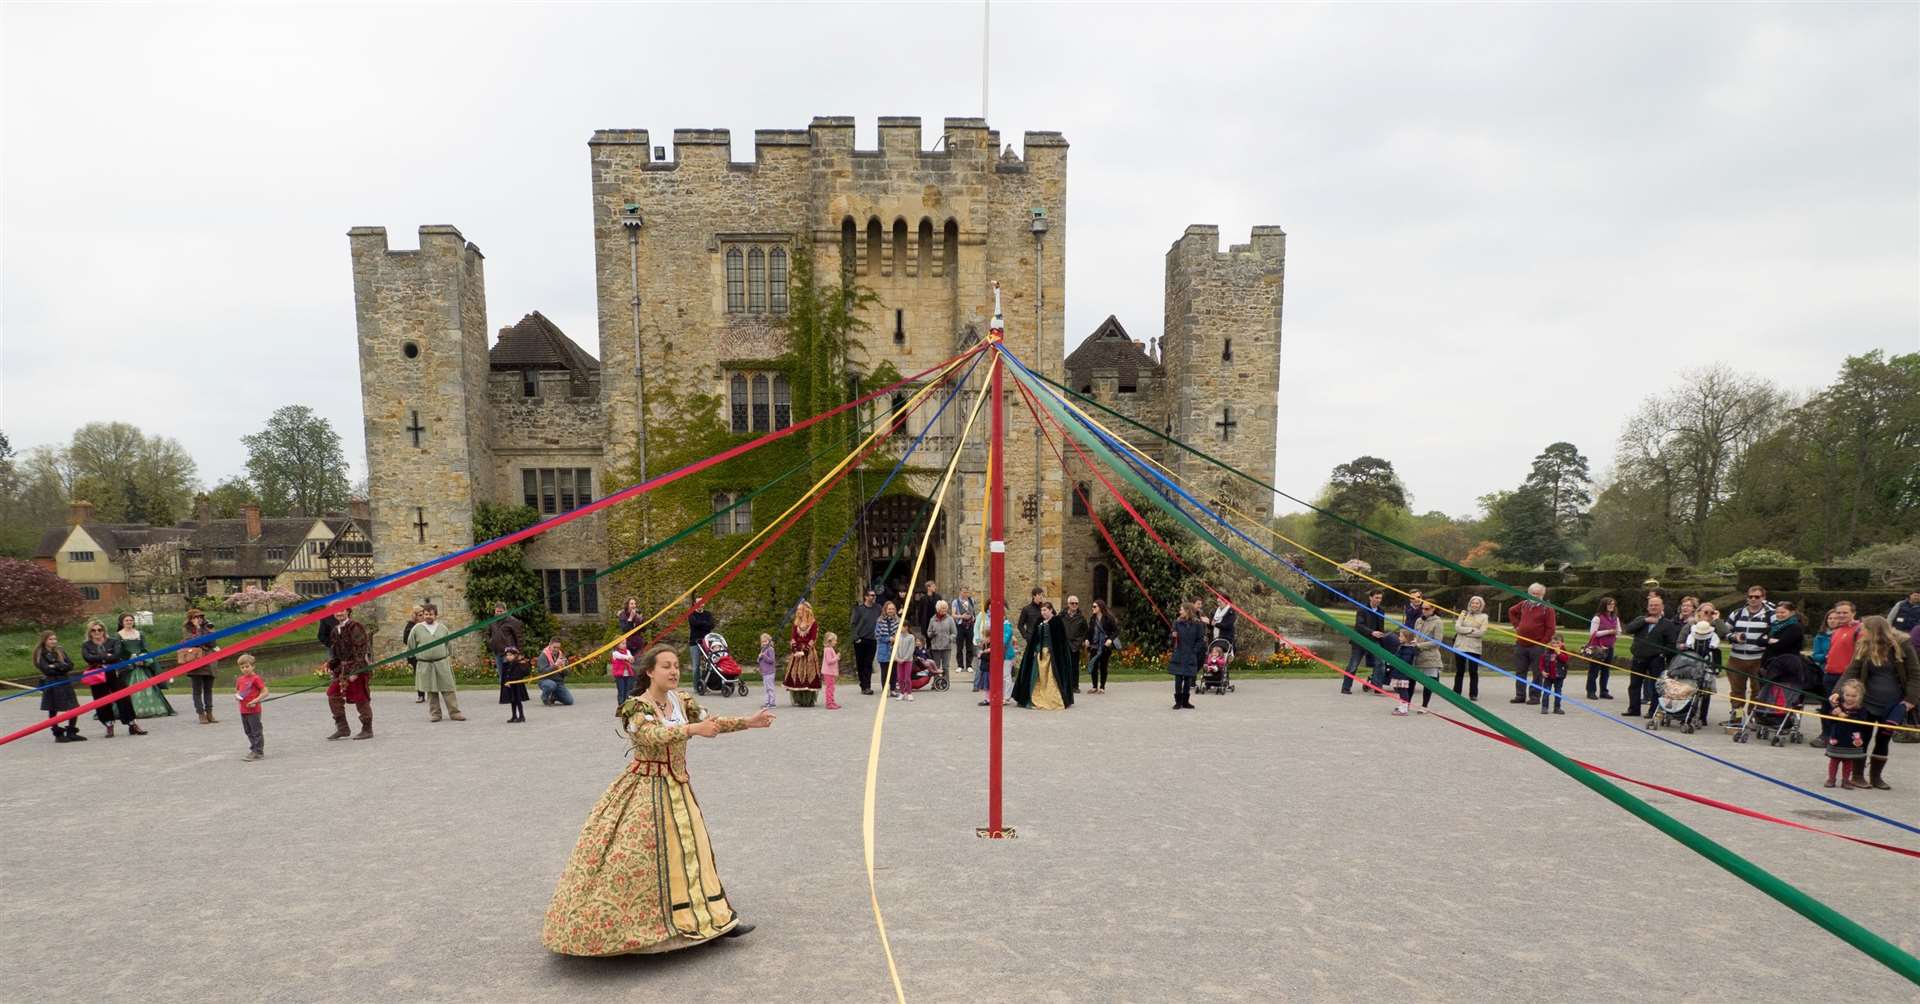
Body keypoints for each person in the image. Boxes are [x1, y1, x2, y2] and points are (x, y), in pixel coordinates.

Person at [541, 644, 773, 956]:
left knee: (693, 854)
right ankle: (648, 928)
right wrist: (693, 729)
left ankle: (715, 921)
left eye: (676, 665)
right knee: (639, 860)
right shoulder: (637, 707)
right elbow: (650, 736)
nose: (674, 671)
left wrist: (749, 721)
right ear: (650, 671)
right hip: (644, 790)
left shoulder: (682, 700)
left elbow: (711, 723)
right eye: (666, 666)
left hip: (678, 788)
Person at [1831, 615, 1919, 792]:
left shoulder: (1902, 645)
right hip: (1867, 702)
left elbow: (1915, 674)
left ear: (1875, 631)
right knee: (1860, 738)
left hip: (1894, 703)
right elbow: (1851, 670)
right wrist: (1836, 691)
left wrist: (1910, 700)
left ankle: (1876, 776)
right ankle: (1857, 776)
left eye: (1864, 629)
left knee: (1883, 739)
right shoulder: (1864, 645)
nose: (1861, 632)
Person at [1723, 585, 1774, 727]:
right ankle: (1737, 718)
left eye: (1757, 597)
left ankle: (1753, 718)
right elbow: (1724, 632)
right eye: (1751, 596)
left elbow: (1775, 633)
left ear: (1763, 598)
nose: (1753, 599)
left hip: (1758, 659)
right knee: (1737, 692)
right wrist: (1734, 637)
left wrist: (1765, 640)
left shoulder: (1771, 615)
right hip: (1737, 658)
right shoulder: (1737, 613)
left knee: (1757, 691)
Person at [81, 620, 141, 737]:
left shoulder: (113, 641)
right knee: (101, 700)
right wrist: (106, 656)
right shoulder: (86, 645)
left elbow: (117, 655)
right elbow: (88, 658)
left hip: (115, 673)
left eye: (99, 630)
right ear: (90, 632)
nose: (97, 632)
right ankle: (109, 725)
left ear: (104, 631)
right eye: (93, 630)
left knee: (123, 698)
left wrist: (99, 658)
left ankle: (132, 724)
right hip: (98, 675)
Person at [1623, 595, 1680, 719]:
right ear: (1647, 607)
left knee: (1656, 686)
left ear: (1662, 607)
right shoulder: (1641, 620)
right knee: (1634, 684)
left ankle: (1652, 711)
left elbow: (1671, 644)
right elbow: (1628, 629)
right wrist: (1645, 621)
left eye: (1656, 605)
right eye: (1651, 605)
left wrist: (1662, 654)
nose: (1653, 607)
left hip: (1656, 659)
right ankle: (1633, 709)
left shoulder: (1667, 624)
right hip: (1639, 657)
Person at [1013, 601, 1075, 711]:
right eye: (1042, 610)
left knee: (1050, 676)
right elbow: (1035, 638)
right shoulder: (1040, 621)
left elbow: (1060, 641)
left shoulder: (1057, 621)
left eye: (1045, 610)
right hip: (1039, 653)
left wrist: (1053, 652)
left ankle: (1052, 698)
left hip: (1053, 655)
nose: (1043, 612)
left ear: (1051, 610)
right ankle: (1033, 697)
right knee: (1037, 675)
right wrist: (1034, 649)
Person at [324, 608, 373, 740]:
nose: (339, 613)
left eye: (342, 610)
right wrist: (331, 664)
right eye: (336, 611)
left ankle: (367, 728)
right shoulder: (335, 630)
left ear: (348, 611)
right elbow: (336, 652)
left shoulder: (355, 626)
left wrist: (356, 671)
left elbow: (361, 650)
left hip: (356, 667)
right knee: (333, 694)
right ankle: (342, 728)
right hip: (342, 669)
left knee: (360, 697)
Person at [116, 613, 175, 719]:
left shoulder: (139, 633)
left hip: (142, 664)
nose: (129, 622)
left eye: (131, 620)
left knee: (148, 685)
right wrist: (131, 658)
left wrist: (142, 657)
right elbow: (119, 651)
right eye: (127, 620)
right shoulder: (118, 635)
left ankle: (152, 709)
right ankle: (129, 711)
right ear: (122, 622)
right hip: (128, 665)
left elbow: (144, 648)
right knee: (126, 688)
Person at [411, 604, 463, 722]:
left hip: (441, 662)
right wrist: (417, 656)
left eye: (431, 614)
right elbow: (411, 645)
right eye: (426, 614)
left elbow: (448, 644)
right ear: (423, 615)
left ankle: (455, 713)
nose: (428, 616)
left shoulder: (442, 628)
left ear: (436, 615)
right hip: (426, 664)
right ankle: (435, 714)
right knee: (431, 690)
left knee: (448, 688)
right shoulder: (417, 629)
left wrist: (449, 655)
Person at [1507, 583, 1556, 706]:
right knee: (1520, 670)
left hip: (1537, 646)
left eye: (1538, 594)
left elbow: (1551, 629)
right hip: (1521, 644)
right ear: (1529, 593)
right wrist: (1516, 626)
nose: (1535, 596)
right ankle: (1520, 695)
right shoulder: (1524, 604)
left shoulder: (1547, 608)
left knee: (1537, 672)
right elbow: (1511, 611)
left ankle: (1534, 696)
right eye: (1533, 593)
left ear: (1542, 595)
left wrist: (1542, 642)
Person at [34, 631, 84, 743]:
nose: (53, 641)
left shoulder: (60, 650)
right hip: (52, 682)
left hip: (65, 681)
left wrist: (55, 665)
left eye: (54, 639)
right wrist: (61, 666)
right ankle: (57, 733)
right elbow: (46, 669)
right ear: (44, 640)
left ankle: (71, 731)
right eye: (50, 639)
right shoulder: (40, 653)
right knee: (53, 708)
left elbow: (70, 665)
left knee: (74, 706)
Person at [1824, 679, 1871, 789]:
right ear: (1843, 694)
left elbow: (1861, 724)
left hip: (1851, 739)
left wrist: (1846, 716)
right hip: (1837, 737)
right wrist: (1833, 714)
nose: (1850, 698)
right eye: (1847, 695)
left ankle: (1846, 780)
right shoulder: (1838, 706)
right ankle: (1831, 779)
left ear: (1860, 696)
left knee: (1848, 761)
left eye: (1854, 696)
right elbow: (1829, 722)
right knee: (1834, 760)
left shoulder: (1861, 709)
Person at [182, 607, 221, 725]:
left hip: (209, 662)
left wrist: (210, 631)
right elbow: (193, 642)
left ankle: (209, 712)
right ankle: (201, 713)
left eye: (200, 617)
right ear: (190, 619)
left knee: (208, 689)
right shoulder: (187, 630)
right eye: (195, 617)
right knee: (197, 690)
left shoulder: (207, 628)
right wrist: (198, 629)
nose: (198, 619)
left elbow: (212, 643)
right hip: (196, 662)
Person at [1166, 599, 1206, 711]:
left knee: (1188, 679)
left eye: (1181, 610)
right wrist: (1173, 636)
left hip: (1190, 654)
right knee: (1178, 678)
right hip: (1179, 653)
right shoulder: (1177, 623)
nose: (1180, 611)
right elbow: (1171, 640)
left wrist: (1194, 651)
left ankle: (1186, 701)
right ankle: (1178, 702)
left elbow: (1200, 640)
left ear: (1188, 611)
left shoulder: (1198, 624)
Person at [1345, 590, 1387, 694]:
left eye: (1380, 598)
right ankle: (1346, 687)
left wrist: (1381, 635)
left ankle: (1377, 686)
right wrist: (1372, 632)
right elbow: (1359, 625)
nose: (1378, 600)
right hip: (1360, 640)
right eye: (1376, 598)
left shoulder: (1381, 611)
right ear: (1370, 597)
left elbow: (1380, 627)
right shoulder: (1362, 609)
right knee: (1353, 664)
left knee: (1380, 662)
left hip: (1374, 640)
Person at [1449, 595, 1489, 701]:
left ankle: (1473, 694)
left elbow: (1481, 632)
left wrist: (1465, 631)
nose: (1474, 605)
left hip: (1474, 648)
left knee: (1473, 671)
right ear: (1470, 604)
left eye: (1477, 603)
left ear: (1481, 605)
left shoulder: (1484, 617)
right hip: (1460, 646)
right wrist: (1471, 630)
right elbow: (1457, 627)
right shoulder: (1463, 613)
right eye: (1473, 602)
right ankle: (1456, 692)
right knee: (1459, 671)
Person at [784, 600, 822, 704]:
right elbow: (793, 638)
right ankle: (798, 699)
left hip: (808, 652)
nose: (798, 612)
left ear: (806, 611)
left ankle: (807, 700)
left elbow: (813, 639)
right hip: (797, 652)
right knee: (796, 675)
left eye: (800, 609)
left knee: (808, 675)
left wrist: (804, 652)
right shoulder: (796, 623)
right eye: (798, 610)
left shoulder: (813, 623)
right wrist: (795, 650)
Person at [1584, 596, 1620, 700]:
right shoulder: (1597, 618)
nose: (1611, 606)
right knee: (1594, 670)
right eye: (1609, 604)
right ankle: (1591, 691)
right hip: (1597, 648)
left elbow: (1619, 631)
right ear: (1604, 605)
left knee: (1606, 670)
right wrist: (1609, 631)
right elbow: (1593, 634)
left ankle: (1604, 691)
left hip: (1609, 647)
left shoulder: (1615, 618)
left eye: (1613, 604)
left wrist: (1616, 633)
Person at [234, 653, 268, 761]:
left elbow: (265, 692)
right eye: (242, 667)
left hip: (254, 710)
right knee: (248, 731)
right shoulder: (240, 679)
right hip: (243, 710)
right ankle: (254, 748)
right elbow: (238, 691)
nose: (245, 669)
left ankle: (258, 751)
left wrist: (255, 700)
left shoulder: (256, 678)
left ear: (253, 666)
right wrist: (237, 696)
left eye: (247, 666)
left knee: (256, 731)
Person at [1411, 601, 1444, 710]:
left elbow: (1437, 641)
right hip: (1416, 656)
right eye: (1423, 608)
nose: (1424, 611)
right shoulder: (1419, 620)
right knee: (1411, 680)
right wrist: (1413, 641)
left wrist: (1420, 645)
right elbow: (1415, 635)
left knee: (1428, 683)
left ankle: (1424, 706)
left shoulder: (1438, 622)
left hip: (1430, 657)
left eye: (1427, 609)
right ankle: (1406, 704)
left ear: (1433, 609)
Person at [486, 602, 526, 682]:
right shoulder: (492, 621)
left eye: (501, 611)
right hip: (498, 653)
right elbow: (487, 633)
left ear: (505, 611)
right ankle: (504, 694)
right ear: (495, 611)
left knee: (510, 677)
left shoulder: (513, 621)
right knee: (502, 677)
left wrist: (520, 653)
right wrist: (490, 642)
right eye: (497, 611)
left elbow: (519, 637)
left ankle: (512, 694)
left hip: (509, 653)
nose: (499, 613)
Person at [851, 588, 881, 696]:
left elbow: (883, 618)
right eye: (871, 595)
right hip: (860, 640)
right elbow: (853, 624)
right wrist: (856, 638)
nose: (873, 597)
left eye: (874, 595)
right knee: (860, 663)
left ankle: (867, 686)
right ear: (866, 597)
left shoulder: (878, 608)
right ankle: (863, 684)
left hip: (872, 640)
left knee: (868, 663)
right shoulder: (859, 609)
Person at [1087, 599, 1118, 695]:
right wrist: (1087, 639)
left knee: (1103, 666)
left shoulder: (1108, 618)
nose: (1093, 608)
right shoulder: (1093, 618)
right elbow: (1089, 631)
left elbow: (1116, 631)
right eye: (1092, 606)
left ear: (1100, 607)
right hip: (1094, 646)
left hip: (1104, 646)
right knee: (1093, 666)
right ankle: (1094, 686)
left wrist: (1110, 639)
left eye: (1094, 606)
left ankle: (1102, 687)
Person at [686, 599, 715, 696]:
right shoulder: (692, 615)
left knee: (709, 665)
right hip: (695, 642)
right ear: (695, 604)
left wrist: (702, 624)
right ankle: (696, 686)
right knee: (696, 666)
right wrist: (705, 624)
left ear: (704, 604)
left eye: (701, 602)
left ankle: (706, 684)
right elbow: (694, 624)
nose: (700, 605)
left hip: (706, 642)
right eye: (698, 603)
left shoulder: (708, 614)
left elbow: (711, 625)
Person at [1061, 596, 1088, 694]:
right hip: (1064, 644)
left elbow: (1085, 631)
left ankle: (1075, 686)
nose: (1074, 605)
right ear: (1068, 604)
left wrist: (1081, 640)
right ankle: (1064, 685)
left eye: (1076, 603)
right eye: (1072, 603)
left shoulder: (1081, 618)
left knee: (1074, 667)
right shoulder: (1062, 616)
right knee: (1064, 665)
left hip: (1075, 645)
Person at [926, 600, 957, 685]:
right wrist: (932, 634)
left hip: (946, 647)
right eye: (942, 608)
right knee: (936, 667)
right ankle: (936, 683)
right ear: (938, 609)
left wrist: (949, 639)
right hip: (935, 647)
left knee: (945, 666)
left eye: (945, 608)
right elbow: (928, 632)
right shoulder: (933, 619)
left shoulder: (950, 619)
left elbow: (954, 633)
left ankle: (945, 683)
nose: (944, 610)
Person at [875, 601, 901, 698]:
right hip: (884, 649)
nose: (891, 610)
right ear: (885, 610)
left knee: (894, 671)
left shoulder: (898, 621)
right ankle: (885, 690)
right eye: (889, 609)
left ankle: (893, 689)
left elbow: (901, 633)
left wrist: (896, 638)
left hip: (894, 649)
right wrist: (888, 639)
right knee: (884, 672)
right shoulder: (880, 621)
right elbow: (877, 635)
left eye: (893, 609)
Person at [537, 639, 575, 707]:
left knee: (569, 701)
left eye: (558, 648)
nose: (556, 649)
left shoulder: (561, 656)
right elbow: (543, 672)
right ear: (549, 645)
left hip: (558, 682)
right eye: (554, 647)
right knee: (551, 685)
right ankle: (545, 698)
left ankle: (554, 696)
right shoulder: (543, 656)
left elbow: (567, 674)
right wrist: (555, 665)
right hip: (545, 680)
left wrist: (564, 668)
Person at [1538, 640, 1570, 715]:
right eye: (1553, 643)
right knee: (1546, 692)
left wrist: (1559, 653)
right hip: (1548, 677)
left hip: (1559, 676)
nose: (1555, 645)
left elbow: (1565, 660)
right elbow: (1541, 664)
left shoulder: (1564, 653)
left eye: (1557, 643)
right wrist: (1543, 671)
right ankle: (1544, 707)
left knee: (1558, 692)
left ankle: (1557, 708)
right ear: (1549, 644)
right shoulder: (1545, 654)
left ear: (1562, 644)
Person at [499, 646, 530, 723]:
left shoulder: (519, 664)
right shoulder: (506, 664)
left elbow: (523, 673)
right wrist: (506, 682)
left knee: (518, 701)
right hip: (510, 686)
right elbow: (505, 675)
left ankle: (522, 716)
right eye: (507, 655)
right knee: (512, 701)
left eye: (510, 655)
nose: (508, 657)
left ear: (515, 655)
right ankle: (514, 716)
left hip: (517, 686)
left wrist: (523, 663)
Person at [404, 605, 426, 704]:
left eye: (423, 614)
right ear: (415, 616)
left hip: (427, 654)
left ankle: (432, 693)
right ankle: (421, 695)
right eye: (420, 615)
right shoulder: (410, 626)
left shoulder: (427, 625)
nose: (423, 617)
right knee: (418, 675)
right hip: (415, 655)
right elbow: (406, 640)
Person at [952, 587, 977, 673]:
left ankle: (969, 665)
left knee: (970, 646)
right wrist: (962, 616)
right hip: (960, 626)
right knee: (960, 646)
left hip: (970, 625)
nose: (965, 594)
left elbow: (973, 611)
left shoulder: (971, 601)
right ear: (960, 592)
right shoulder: (955, 602)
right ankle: (960, 665)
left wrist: (973, 618)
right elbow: (953, 615)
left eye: (967, 592)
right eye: (963, 592)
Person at [610, 639, 637, 705]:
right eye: (622, 643)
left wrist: (631, 658)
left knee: (628, 691)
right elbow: (621, 657)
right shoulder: (615, 653)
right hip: (619, 676)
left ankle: (627, 704)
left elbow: (630, 659)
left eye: (625, 643)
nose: (625, 645)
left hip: (628, 675)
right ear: (617, 645)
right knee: (621, 691)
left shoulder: (628, 651)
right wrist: (628, 657)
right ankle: (621, 705)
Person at [757, 632, 778, 709]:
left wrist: (764, 656)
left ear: (769, 641)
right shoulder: (763, 649)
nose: (764, 643)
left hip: (770, 672)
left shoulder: (770, 649)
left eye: (765, 641)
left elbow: (771, 660)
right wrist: (759, 657)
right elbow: (759, 660)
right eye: (762, 641)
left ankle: (772, 703)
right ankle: (767, 702)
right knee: (766, 688)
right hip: (764, 672)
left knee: (770, 688)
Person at [821, 632, 841, 710]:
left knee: (831, 688)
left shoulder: (830, 649)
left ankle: (832, 702)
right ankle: (829, 703)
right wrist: (837, 657)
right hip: (828, 672)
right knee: (830, 688)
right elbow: (829, 661)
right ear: (829, 641)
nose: (836, 642)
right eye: (834, 640)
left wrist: (836, 657)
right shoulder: (828, 650)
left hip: (830, 672)